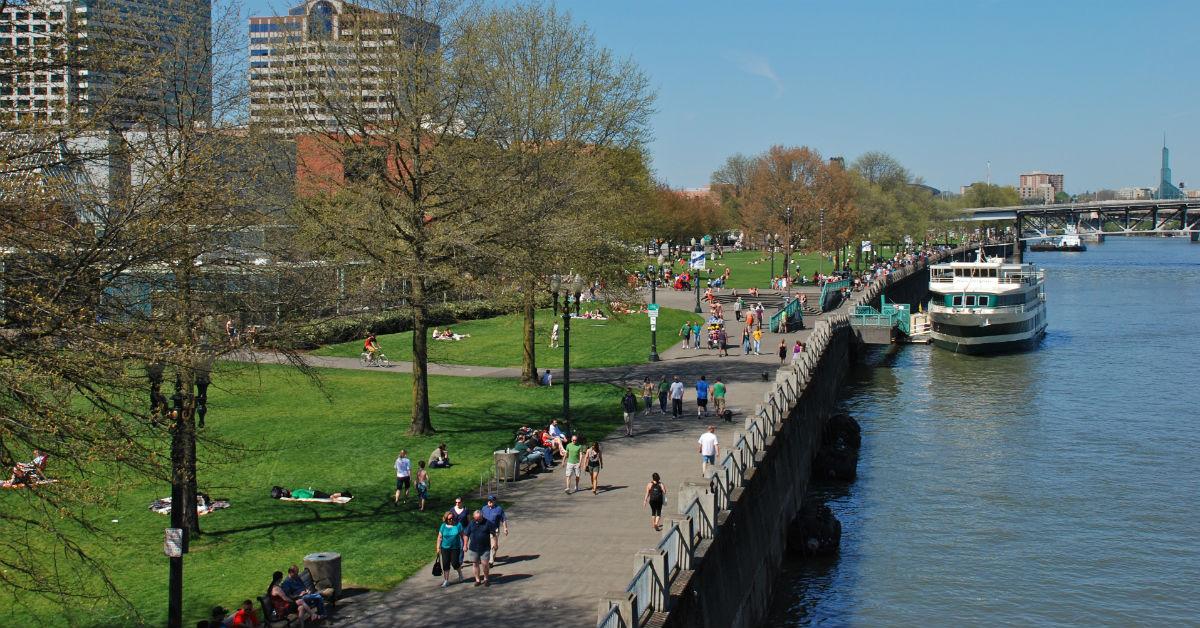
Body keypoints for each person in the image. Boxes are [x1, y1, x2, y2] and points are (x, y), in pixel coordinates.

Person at [462, 510, 496, 587]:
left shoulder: (488, 523)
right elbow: (466, 535)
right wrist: (465, 545)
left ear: (482, 516)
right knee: (475, 564)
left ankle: (486, 579)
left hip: (485, 548)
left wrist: (495, 544)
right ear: (474, 517)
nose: (477, 520)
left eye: (479, 519)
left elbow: (493, 534)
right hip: (473, 548)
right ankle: (477, 580)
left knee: (485, 564)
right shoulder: (471, 523)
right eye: (476, 519)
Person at [436, 510, 466, 587]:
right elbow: (439, 537)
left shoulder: (458, 525)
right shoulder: (443, 526)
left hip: (455, 547)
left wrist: (465, 545)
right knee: (445, 564)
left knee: (455, 563)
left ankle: (460, 574)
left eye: (452, 518)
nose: (451, 520)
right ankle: (446, 580)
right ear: (446, 519)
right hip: (445, 548)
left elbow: (463, 535)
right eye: (449, 519)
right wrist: (438, 547)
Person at [481, 495, 509, 565]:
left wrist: (505, 528)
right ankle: (492, 556)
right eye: (488, 500)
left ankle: (490, 561)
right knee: (487, 545)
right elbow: (480, 518)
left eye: (491, 500)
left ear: (494, 501)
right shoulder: (484, 508)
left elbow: (503, 519)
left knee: (493, 545)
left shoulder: (499, 509)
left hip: (494, 530)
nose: (489, 502)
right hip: (485, 529)